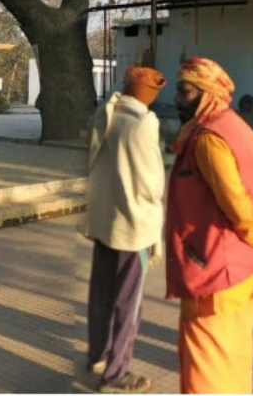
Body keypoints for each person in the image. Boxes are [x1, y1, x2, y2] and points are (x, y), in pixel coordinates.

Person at [165, 56, 253, 394]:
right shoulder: (237, 127)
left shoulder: (208, 139)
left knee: (203, 375)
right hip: (239, 272)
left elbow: (240, 209)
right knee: (232, 363)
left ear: (206, 94)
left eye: (185, 91)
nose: (177, 99)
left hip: (214, 274)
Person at [83, 66, 168, 395]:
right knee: (128, 304)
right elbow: (152, 184)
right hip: (134, 228)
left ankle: (98, 356)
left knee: (101, 295)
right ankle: (116, 373)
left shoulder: (106, 113)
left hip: (105, 219)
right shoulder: (144, 122)